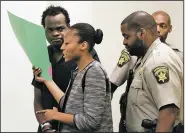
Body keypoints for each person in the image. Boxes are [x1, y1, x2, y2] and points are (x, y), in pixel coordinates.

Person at [110, 10, 183, 132]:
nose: (124, 42)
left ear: (142, 34)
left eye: (127, 36)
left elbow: (169, 112)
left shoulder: (159, 60)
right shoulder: (143, 57)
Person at [34, 23, 113, 132]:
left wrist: (56, 115)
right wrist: (47, 80)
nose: (62, 47)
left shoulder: (94, 71)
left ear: (83, 45)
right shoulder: (78, 71)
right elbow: (68, 103)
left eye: (66, 43)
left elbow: (90, 121)